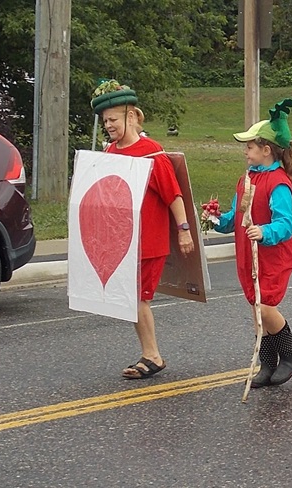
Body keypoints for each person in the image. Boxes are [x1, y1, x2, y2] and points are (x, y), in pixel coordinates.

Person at [90, 79, 195, 379]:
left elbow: (172, 195)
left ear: (132, 116)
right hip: (122, 241)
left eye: (113, 119)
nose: (108, 125)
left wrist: (184, 229)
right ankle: (149, 353)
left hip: (149, 240)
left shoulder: (151, 151)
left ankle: (153, 356)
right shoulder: (110, 152)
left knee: (138, 298)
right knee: (130, 298)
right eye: (105, 121)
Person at [214, 99, 292, 388]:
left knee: (265, 307)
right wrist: (216, 219)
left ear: (266, 150)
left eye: (250, 146)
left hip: (271, 256)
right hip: (247, 254)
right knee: (256, 309)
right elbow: (235, 216)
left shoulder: (278, 183)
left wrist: (264, 232)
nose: (245, 151)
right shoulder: (247, 179)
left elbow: (285, 224)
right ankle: (267, 363)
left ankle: (290, 354)